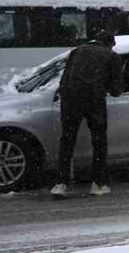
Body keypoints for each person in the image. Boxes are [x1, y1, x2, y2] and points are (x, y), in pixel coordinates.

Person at [51, 30, 124, 198]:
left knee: (67, 140)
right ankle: (98, 183)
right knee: (99, 142)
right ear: (111, 44)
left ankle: (60, 183)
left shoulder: (77, 51)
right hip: (94, 101)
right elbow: (116, 91)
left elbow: (64, 79)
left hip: (70, 99)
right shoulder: (112, 56)